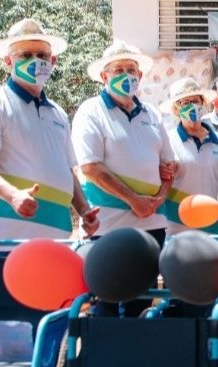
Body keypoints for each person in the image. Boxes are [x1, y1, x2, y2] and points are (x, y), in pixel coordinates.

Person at [0, 18, 98, 243]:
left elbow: (67, 171)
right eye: (26, 55)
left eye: (42, 55)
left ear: (53, 61)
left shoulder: (58, 113)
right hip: (9, 237)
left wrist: (84, 210)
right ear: (8, 61)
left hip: (58, 236)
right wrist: (13, 195)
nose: (36, 61)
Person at [72, 40, 174, 245]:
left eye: (131, 70)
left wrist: (159, 199)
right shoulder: (91, 111)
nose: (126, 75)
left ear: (140, 75)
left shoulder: (151, 113)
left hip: (153, 223)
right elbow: (90, 167)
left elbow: (170, 167)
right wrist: (134, 200)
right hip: (109, 225)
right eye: (118, 70)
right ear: (104, 77)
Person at [158, 78, 218, 235]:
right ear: (176, 109)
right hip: (177, 227)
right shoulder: (167, 140)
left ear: (202, 103)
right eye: (185, 103)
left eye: (195, 101)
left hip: (212, 226)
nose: (192, 106)